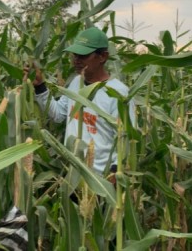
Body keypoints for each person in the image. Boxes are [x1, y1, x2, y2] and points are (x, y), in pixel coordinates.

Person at [26, 27, 135, 176]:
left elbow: (126, 139)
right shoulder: (77, 83)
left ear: (103, 56)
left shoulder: (119, 93)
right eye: (75, 55)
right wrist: (40, 87)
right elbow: (58, 114)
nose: (76, 61)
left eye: (83, 56)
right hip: (73, 173)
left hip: (102, 179)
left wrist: (115, 172)